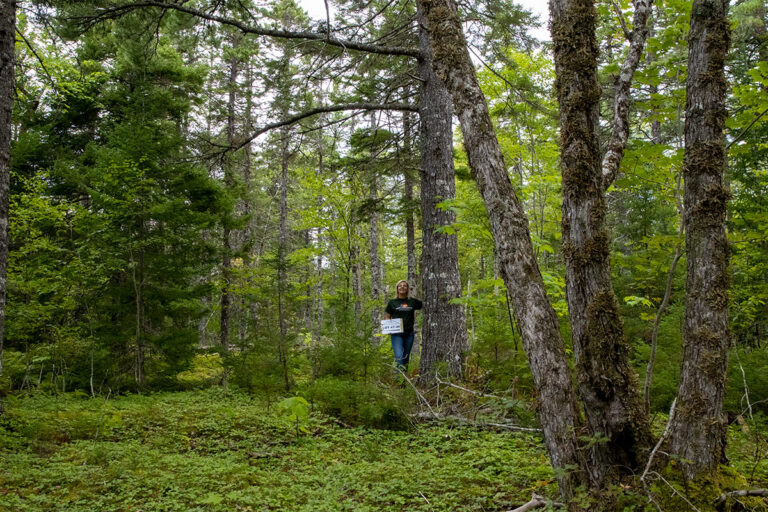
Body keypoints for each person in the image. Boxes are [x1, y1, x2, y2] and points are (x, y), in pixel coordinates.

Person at [384, 280, 422, 372]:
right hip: (396, 333)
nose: (402, 287)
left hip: (409, 333)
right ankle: (399, 378)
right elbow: (388, 317)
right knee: (399, 355)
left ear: (408, 289)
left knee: (406, 356)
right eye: (400, 286)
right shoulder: (392, 302)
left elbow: (425, 305)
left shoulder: (412, 301)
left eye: (404, 286)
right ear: (397, 289)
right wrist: (388, 328)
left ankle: (403, 380)